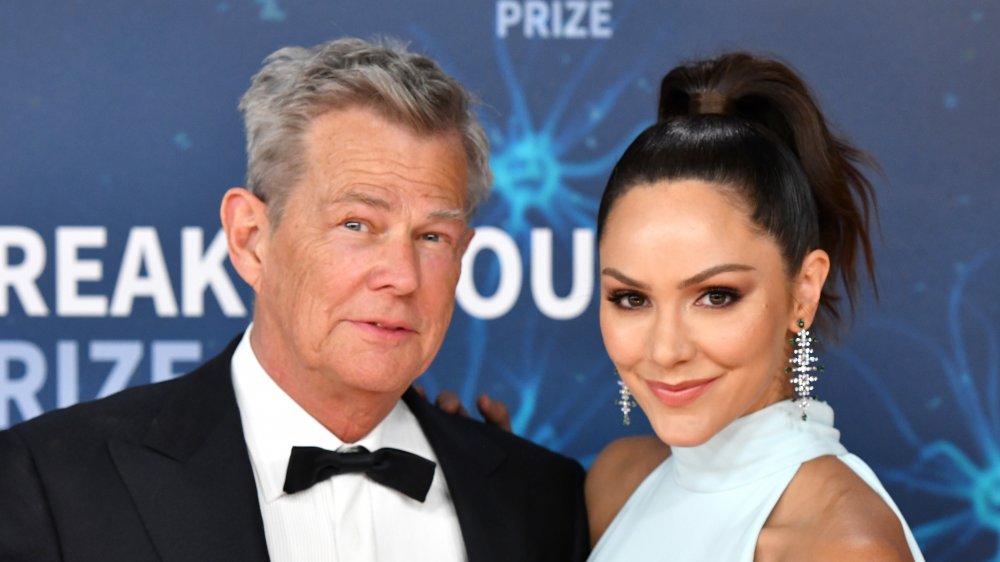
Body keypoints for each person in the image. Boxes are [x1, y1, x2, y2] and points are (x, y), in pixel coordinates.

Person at [0, 37, 589, 562]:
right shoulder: (52, 483)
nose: (403, 277)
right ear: (251, 240)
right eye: (357, 224)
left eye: (432, 237)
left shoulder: (542, 501)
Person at [584, 52, 924, 560]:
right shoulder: (616, 481)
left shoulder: (842, 546)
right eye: (631, 299)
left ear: (804, 290)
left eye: (715, 296)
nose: (666, 348)